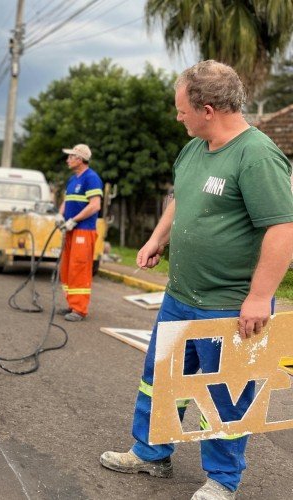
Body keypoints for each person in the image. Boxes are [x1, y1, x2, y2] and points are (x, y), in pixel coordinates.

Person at [100, 61, 293, 500]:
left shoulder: (257, 155)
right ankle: (151, 455)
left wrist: (260, 297)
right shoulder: (193, 148)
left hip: (230, 304)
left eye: (181, 109)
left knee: (226, 395)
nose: (178, 116)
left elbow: (283, 228)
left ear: (207, 109)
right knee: (161, 380)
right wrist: (155, 239)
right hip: (180, 296)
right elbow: (179, 199)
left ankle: (222, 480)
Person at [54, 143, 103, 322]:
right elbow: (66, 201)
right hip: (70, 230)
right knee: (67, 268)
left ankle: (80, 309)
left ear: (80, 159)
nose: (68, 160)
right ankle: (72, 304)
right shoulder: (73, 179)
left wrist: (74, 220)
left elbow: (95, 205)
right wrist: (60, 216)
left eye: (71, 157)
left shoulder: (91, 178)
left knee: (79, 269)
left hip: (83, 230)